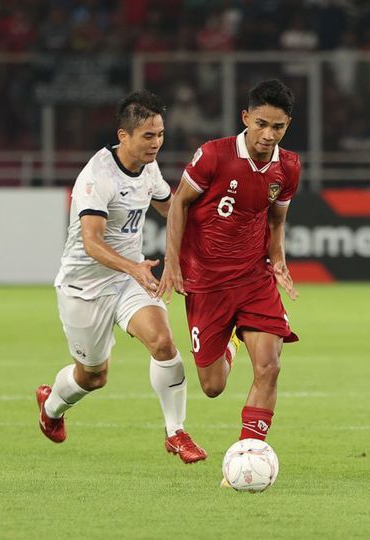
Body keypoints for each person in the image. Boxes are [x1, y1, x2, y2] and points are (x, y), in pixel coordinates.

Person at [35, 90, 207, 464]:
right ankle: (50, 408)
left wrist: (209, 237)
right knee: (93, 376)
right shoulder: (97, 177)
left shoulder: (149, 167)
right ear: (123, 135)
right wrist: (134, 266)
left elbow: (171, 206)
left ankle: (176, 432)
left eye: (160, 134)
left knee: (163, 342)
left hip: (130, 279)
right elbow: (92, 242)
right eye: (148, 135)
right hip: (85, 287)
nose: (156, 143)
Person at [157, 79, 301, 461]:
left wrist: (279, 259)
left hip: (254, 278)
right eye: (261, 124)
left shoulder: (288, 167)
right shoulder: (214, 156)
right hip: (206, 283)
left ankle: (249, 454)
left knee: (269, 367)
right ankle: (232, 342)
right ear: (245, 118)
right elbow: (178, 205)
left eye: (278, 127)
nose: (268, 135)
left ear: (288, 126)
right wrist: (172, 263)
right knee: (212, 385)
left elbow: (276, 220)